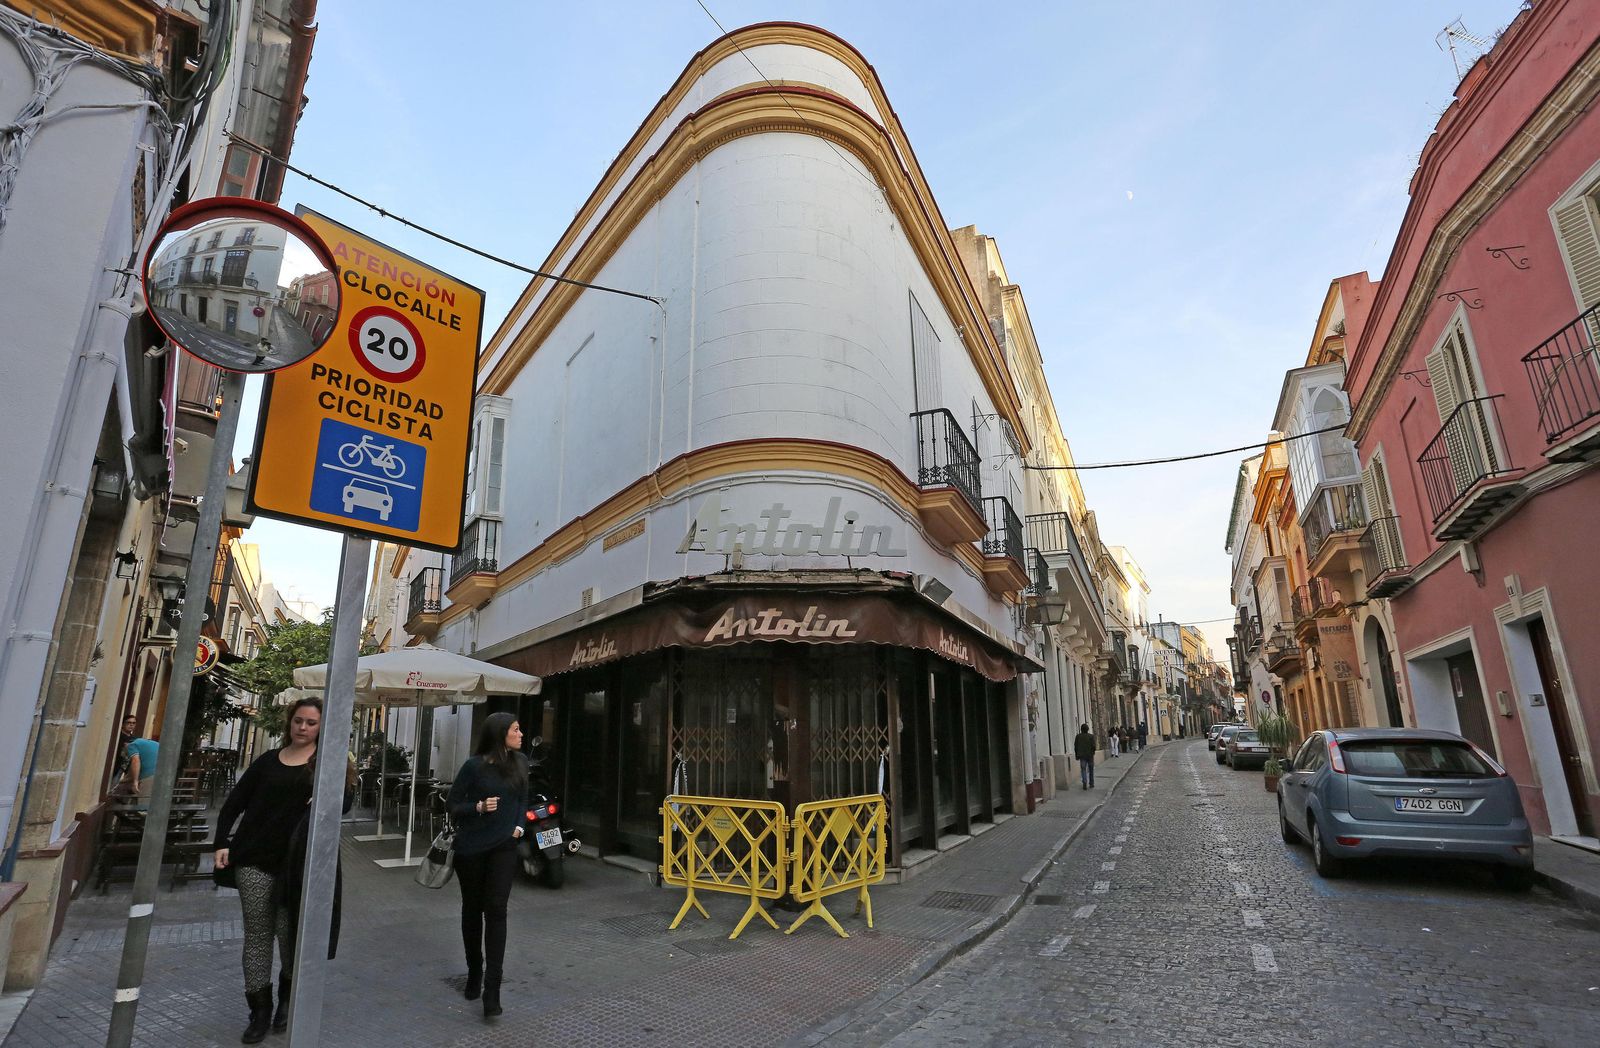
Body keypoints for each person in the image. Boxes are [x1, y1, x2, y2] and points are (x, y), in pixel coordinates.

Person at [214, 696, 332, 1044]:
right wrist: (221, 842)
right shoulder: (267, 761)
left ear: (321, 727)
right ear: (289, 722)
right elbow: (235, 802)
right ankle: (259, 1011)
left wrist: (326, 796)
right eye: (298, 720)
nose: (303, 727)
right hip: (252, 859)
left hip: (295, 866)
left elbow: (344, 804)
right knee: (257, 934)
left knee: (288, 934)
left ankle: (286, 999)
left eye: (311, 723)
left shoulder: (324, 766)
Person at [447, 712, 529, 1020]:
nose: (520, 734)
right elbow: (453, 805)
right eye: (515, 729)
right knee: (472, 909)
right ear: (499, 734)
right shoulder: (473, 766)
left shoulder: (520, 763)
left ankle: (492, 989)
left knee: (496, 909)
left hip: (504, 848)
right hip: (471, 849)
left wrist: (519, 827)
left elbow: (523, 799)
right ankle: (473, 971)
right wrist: (478, 807)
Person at [1074, 723, 1097, 789]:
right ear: (1087, 729)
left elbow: (1076, 746)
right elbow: (1094, 746)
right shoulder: (1091, 736)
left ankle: (1084, 781)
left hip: (1082, 756)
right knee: (1091, 769)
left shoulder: (1078, 736)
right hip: (1090, 755)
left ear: (1081, 729)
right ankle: (1091, 783)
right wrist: (1093, 752)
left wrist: (1077, 755)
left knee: (1083, 769)